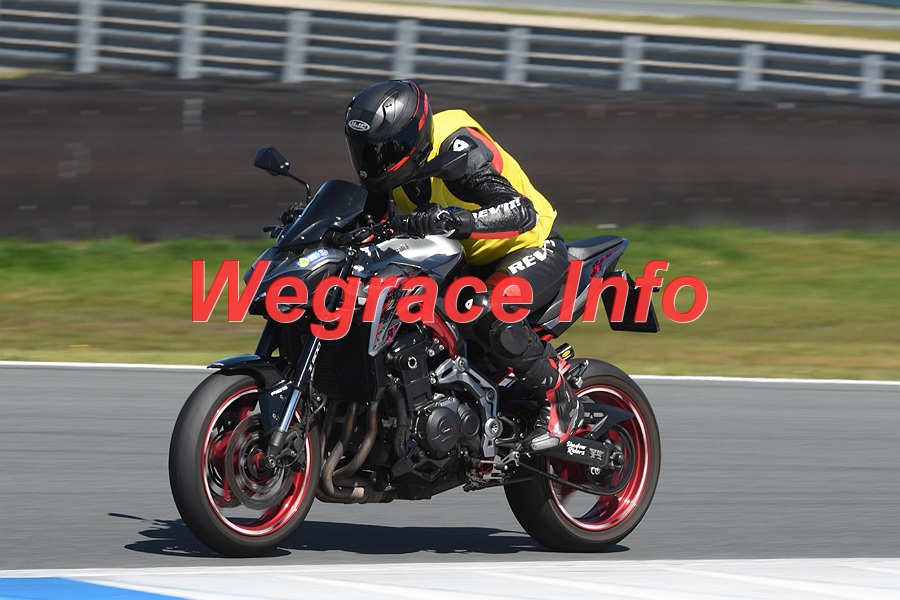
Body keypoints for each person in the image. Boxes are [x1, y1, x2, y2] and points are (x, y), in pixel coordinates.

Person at [344, 79, 582, 452]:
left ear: (410, 140)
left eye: (383, 150)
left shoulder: (456, 148)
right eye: (365, 151)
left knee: (484, 307)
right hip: (463, 264)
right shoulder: (388, 171)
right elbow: (367, 222)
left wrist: (457, 220)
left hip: (529, 247)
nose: (373, 161)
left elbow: (520, 211)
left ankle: (558, 396)